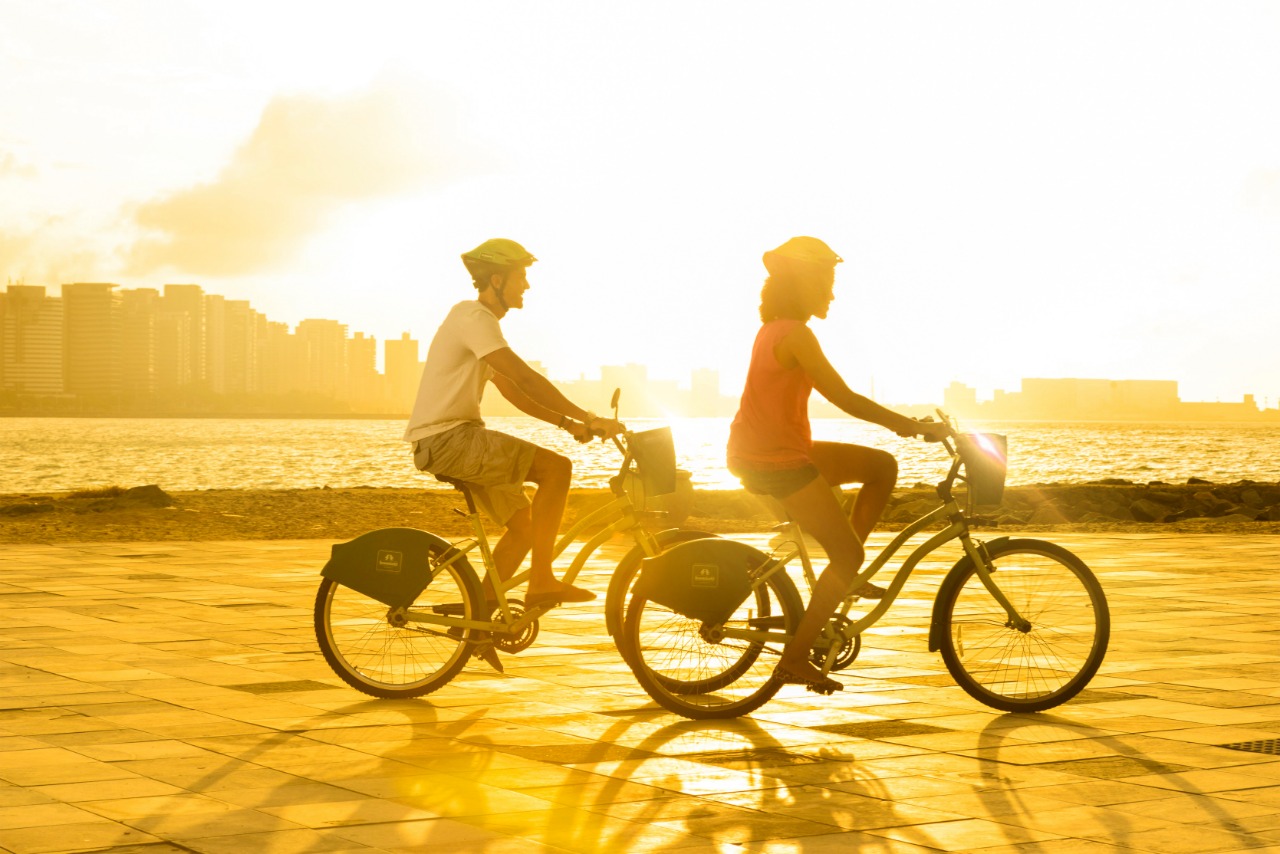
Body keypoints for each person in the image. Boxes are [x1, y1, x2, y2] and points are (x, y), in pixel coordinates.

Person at [726, 236, 948, 694]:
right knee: (847, 553)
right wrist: (910, 427)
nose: (832, 293)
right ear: (802, 283)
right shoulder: (794, 333)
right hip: (773, 460)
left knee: (881, 468)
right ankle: (793, 659)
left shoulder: (777, 329)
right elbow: (843, 396)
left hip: (777, 450)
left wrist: (905, 427)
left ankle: (845, 578)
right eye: (826, 282)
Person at [405, 238, 624, 610]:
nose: (527, 285)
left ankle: (484, 612)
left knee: (525, 529)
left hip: (451, 440)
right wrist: (589, 416)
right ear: (495, 281)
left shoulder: (477, 325)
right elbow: (526, 379)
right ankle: (541, 582)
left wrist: (567, 424)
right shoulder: (473, 317)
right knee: (557, 469)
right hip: (449, 439)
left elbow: (513, 392)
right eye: (520, 277)